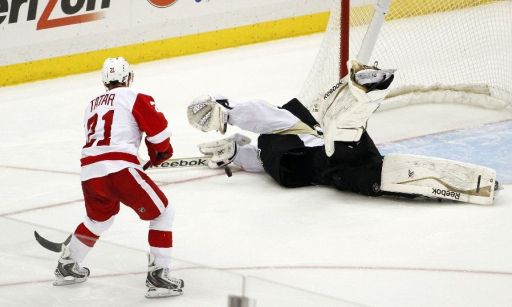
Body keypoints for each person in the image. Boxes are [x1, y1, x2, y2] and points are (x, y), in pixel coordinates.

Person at [187, 60, 499, 205]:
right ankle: (361, 97)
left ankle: (363, 97)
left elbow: (263, 115)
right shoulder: (271, 149)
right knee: (374, 174)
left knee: (345, 148)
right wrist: (237, 154)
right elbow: (262, 154)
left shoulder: (279, 132)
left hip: (328, 162)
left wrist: (228, 109)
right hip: (342, 162)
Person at [53, 57, 184, 298]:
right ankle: (159, 276)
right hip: (119, 169)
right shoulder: (133, 96)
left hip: (90, 172)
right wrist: (160, 151)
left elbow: (108, 135)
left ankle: (68, 265)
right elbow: (157, 130)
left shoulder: (91, 105)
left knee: (98, 219)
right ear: (129, 77)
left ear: (104, 82)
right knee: (163, 213)